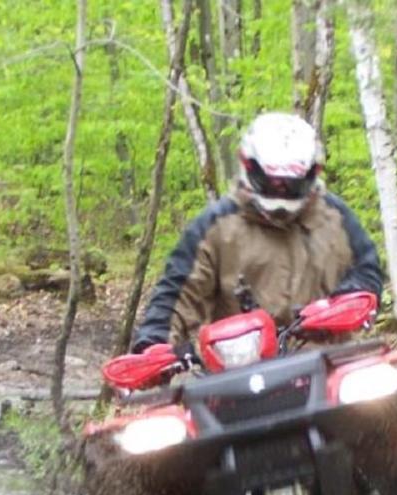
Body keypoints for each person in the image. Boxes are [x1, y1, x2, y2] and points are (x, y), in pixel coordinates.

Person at [132, 112, 384, 355]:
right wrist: (154, 343)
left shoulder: (335, 217)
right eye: (272, 181)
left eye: (291, 183)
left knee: (388, 390)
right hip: (241, 369)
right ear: (249, 167)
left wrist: (350, 299)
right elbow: (178, 292)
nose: (282, 191)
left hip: (330, 363)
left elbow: (367, 270)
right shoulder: (216, 226)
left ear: (312, 173)